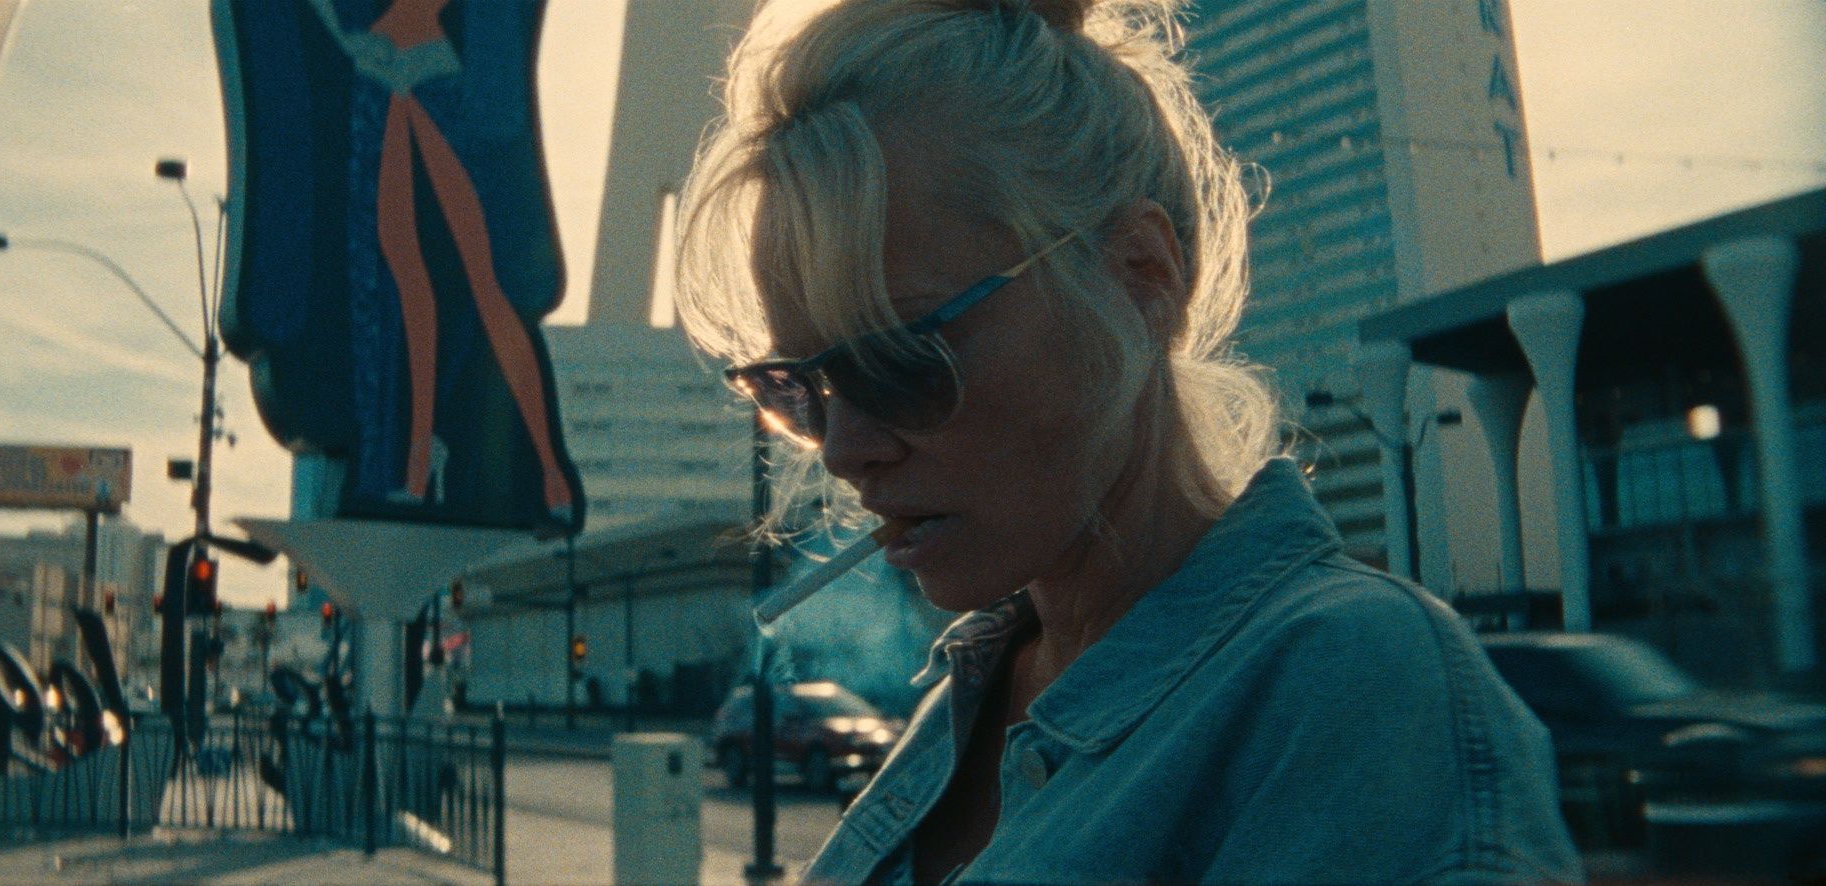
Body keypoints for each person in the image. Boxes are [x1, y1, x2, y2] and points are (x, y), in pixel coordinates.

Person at [672, 0, 1583, 883]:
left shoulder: (1355, 690)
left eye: (902, 357)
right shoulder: (976, 694)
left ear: (1140, 275)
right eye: (794, 388)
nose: (842, 450)